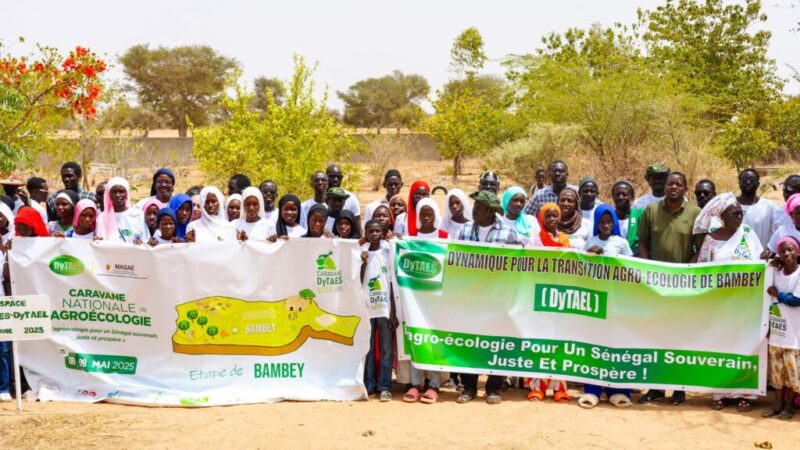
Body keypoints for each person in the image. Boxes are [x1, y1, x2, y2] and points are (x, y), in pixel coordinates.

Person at [692, 193, 762, 412]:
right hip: (719, 304)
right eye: (734, 213)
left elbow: (761, 263)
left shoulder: (749, 234)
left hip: (745, 303)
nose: (739, 217)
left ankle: (744, 394)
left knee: (744, 346)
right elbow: (701, 269)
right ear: (723, 216)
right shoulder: (711, 239)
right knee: (719, 346)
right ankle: (719, 392)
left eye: (740, 213)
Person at [638, 172, 701, 405]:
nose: (673, 187)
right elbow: (643, 243)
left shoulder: (695, 213)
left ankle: (679, 389)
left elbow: (700, 248)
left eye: (678, 184)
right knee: (655, 335)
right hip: (655, 286)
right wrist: (647, 270)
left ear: (685, 188)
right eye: (670, 183)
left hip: (683, 287)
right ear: (664, 186)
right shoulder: (650, 211)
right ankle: (655, 388)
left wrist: (686, 272)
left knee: (680, 337)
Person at [455, 190, 520, 405]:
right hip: (470, 297)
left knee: (496, 342)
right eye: (474, 207)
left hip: (497, 298)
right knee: (470, 342)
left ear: (491, 211)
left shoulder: (508, 233)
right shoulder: (464, 230)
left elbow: (517, 265)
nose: (474, 211)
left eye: (479, 208)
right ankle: (469, 387)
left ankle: (493, 387)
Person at [359, 219, 398, 402]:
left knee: (386, 349)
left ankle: (385, 386)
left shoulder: (387, 252)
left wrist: (393, 312)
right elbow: (357, 281)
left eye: (377, 231)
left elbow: (392, 283)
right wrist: (364, 263)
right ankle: (369, 384)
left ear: (382, 232)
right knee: (367, 348)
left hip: (384, 308)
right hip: (366, 308)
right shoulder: (361, 252)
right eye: (370, 231)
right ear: (365, 232)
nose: (374, 234)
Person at [763, 237, 800, 420]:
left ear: (798, 252)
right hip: (777, 331)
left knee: (792, 373)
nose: (787, 254)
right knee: (777, 372)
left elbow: (797, 300)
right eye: (783, 251)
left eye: (790, 250)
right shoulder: (776, 271)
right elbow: (766, 266)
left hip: (794, 334)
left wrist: (779, 294)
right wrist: (770, 259)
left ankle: (789, 406)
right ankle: (777, 404)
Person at [735, 169, 775, 250]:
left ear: (758, 184)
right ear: (739, 183)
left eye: (752, 180)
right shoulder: (730, 205)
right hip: (734, 260)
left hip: (759, 259)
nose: (748, 182)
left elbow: (776, 234)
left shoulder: (769, 206)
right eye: (745, 180)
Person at [96, 177, 144, 243]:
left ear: (127, 193)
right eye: (114, 192)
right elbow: (98, 243)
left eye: (121, 191)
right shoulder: (101, 218)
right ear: (108, 194)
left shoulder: (138, 215)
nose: (117, 195)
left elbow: (145, 240)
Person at [612, 181, 642, 256]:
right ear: (613, 196)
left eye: (624, 194)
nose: (621, 197)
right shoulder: (608, 217)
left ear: (632, 197)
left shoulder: (639, 215)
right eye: (617, 195)